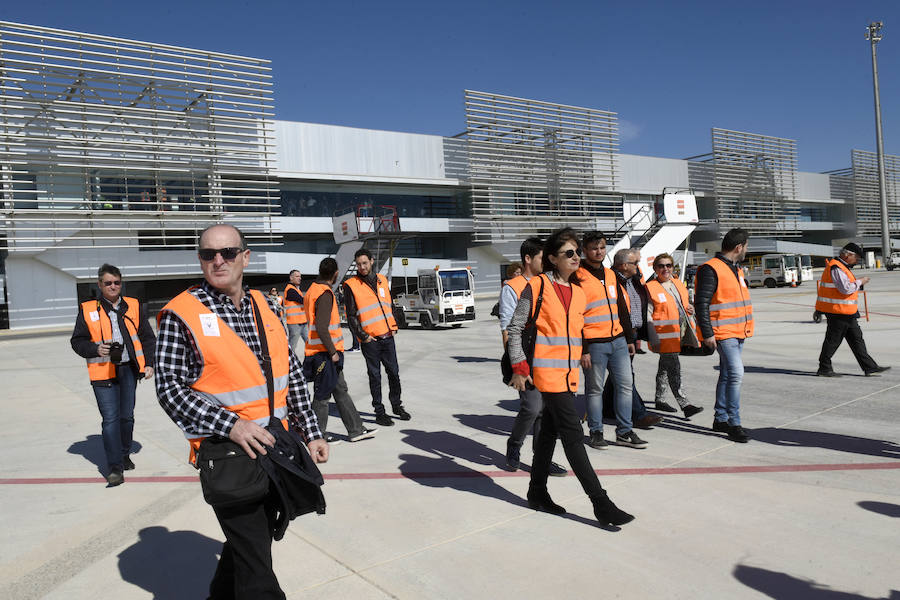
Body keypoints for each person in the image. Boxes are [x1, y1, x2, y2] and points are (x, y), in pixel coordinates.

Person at [155, 224, 327, 599]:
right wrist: (232, 425)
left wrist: (310, 430)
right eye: (208, 254)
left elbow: (289, 373)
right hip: (229, 453)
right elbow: (169, 389)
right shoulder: (181, 314)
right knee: (258, 575)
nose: (218, 261)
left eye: (228, 252)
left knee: (247, 549)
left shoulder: (265, 305)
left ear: (245, 257)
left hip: (275, 447)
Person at [507, 228, 634, 526]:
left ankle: (537, 491)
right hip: (544, 375)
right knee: (574, 437)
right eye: (569, 253)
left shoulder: (579, 293)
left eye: (577, 252)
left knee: (549, 433)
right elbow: (515, 330)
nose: (576, 257)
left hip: (568, 376)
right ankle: (600, 502)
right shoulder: (536, 286)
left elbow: (577, 333)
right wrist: (520, 368)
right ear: (552, 258)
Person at [70, 264, 157, 486]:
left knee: (126, 417)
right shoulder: (88, 309)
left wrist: (149, 364)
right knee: (110, 419)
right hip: (102, 372)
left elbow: (147, 338)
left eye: (116, 282)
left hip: (128, 369)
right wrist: (95, 349)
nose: (113, 286)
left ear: (121, 284)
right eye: (108, 283)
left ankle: (124, 453)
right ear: (99, 285)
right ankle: (115, 467)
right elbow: (77, 341)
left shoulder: (134, 306)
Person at [499, 237, 566, 477]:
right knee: (531, 407)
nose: (547, 261)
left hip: (549, 359)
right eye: (541, 257)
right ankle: (514, 445)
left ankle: (543, 459)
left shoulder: (550, 283)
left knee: (546, 412)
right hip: (524, 359)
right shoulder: (513, 287)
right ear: (528, 259)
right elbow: (508, 328)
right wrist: (517, 366)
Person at [577, 233, 646, 450]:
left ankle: (624, 431)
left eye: (602, 247)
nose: (599, 252)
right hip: (594, 343)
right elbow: (575, 315)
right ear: (585, 250)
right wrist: (583, 349)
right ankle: (596, 431)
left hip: (617, 341)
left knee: (625, 386)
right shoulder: (577, 276)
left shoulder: (610, 275)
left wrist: (629, 338)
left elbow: (621, 308)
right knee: (594, 389)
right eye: (594, 248)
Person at [304, 257, 377, 443]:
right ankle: (316, 434)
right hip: (325, 354)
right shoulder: (325, 294)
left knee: (340, 390)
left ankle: (356, 429)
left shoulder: (312, 290)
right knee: (322, 395)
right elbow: (321, 327)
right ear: (336, 274)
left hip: (320, 351)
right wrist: (333, 352)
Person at [694, 228, 753, 443]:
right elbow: (701, 303)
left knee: (728, 374)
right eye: (746, 246)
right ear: (739, 247)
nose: (747, 250)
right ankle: (734, 423)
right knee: (736, 374)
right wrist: (708, 334)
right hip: (723, 332)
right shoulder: (711, 269)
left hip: (737, 331)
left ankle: (720, 418)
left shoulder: (735, 268)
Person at [343, 248, 410, 426]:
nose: (362, 267)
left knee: (394, 374)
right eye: (358, 264)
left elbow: (390, 305)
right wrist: (363, 336)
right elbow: (350, 315)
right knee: (375, 377)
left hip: (388, 337)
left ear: (372, 261)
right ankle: (379, 412)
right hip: (370, 341)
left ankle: (397, 405)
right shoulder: (351, 285)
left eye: (365, 263)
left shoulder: (382, 280)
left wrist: (394, 325)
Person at [602, 248, 663, 431]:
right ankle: (638, 414)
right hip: (618, 334)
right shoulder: (612, 281)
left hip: (632, 333)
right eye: (635, 263)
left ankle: (607, 408)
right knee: (626, 376)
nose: (639, 265)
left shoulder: (633, 280)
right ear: (624, 265)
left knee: (617, 376)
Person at [815, 243, 890, 377]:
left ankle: (869, 367)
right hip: (838, 311)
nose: (857, 261)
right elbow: (845, 289)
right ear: (847, 254)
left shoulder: (842, 267)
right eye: (856, 257)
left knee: (857, 340)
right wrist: (860, 281)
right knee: (833, 341)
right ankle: (824, 368)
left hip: (847, 311)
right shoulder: (836, 267)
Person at [645, 253, 704, 418]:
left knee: (664, 368)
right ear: (655, 268)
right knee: (674, 368)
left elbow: (682, 305)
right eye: (661, 266)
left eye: (668, 265)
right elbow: (648, 315)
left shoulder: (677, 283)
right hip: (664, 336)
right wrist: (652, 337)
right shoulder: (651, 287)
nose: (665, 269)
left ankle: (660, 399)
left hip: (681, 332)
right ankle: (685, 404)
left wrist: (689, 308)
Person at [283, 270, 308, 355]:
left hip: (303, 322)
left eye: (300, 276)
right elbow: (302, 300)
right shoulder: (290, 290)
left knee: (310, 343)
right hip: (294, 323)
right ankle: (288, 364)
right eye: (297, 276)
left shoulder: (296, 290)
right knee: (292, 346)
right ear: (291, 278)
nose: (299, 278)